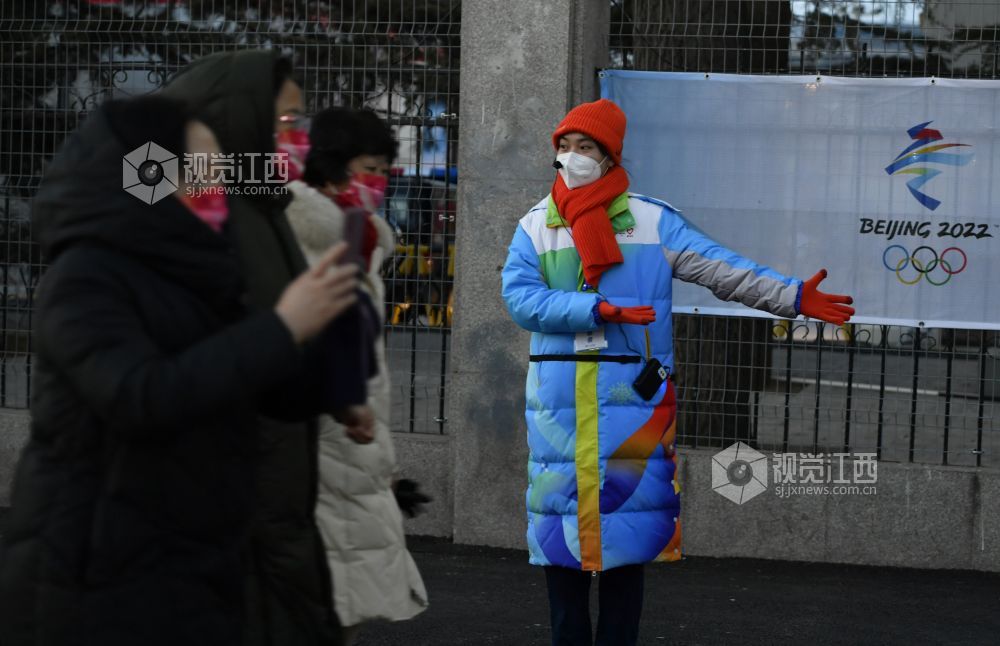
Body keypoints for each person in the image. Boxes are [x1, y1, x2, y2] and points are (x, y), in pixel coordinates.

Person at [0, 95, 360, 646]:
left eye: (218, 170)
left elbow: (235, 378)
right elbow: (140, 397)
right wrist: (282, 327)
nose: (215, 184)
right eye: (200, 168)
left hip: (181, 560)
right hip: (92, 572)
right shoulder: (87, 275)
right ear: (150, 173)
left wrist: (325, 380)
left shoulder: (195, 271)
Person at [500, 98, 855, 646]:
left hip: (632, 403)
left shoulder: (651, 220)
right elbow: (521, 299)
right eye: (565, 148)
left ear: (609, 154)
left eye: (585, 147)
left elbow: (723, 268)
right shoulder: (535, 226)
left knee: (628, 541)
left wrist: (792, 295)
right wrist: (596, 310)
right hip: (559, 409)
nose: (572, 158)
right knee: (561, 546)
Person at [161, 51, 378, 646]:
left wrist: (332, 390)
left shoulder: (260, 193)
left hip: (277, 444)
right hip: (214, 459)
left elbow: (287, 310)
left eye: (296, 123)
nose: (293, 136)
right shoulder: (162, 197)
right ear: (231, 116)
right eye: (282, 121)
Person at [284, 107, 429, 646]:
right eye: (371, 166)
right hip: (317, 441)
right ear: (333, 164)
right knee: (324, 601)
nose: (380, 180)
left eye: (385, 168)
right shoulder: (306, 234)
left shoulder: (358, 236)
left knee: (338, 602)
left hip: (355, 444)